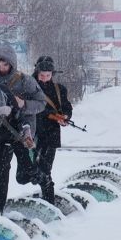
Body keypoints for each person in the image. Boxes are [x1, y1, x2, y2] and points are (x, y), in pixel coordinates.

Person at [0, 45, 46, 214]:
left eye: (5, 65)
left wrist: (23, 104)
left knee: (25, 170)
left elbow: (41, 103)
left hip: (21, 130)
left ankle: (36, 177)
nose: (2, 68)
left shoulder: (25, 81)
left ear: (12, 63)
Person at [33, 56, 72, 202]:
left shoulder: (59, 89)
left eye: (47, 75)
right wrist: (49, 114)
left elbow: (67, 106)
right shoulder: (30, 87)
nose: (44, 78)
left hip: (51, 134)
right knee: (32, 169)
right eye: (41, 75)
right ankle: (47, 196)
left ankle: (49, 198)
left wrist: (65, 117)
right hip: (34, 132)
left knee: (46, 168)